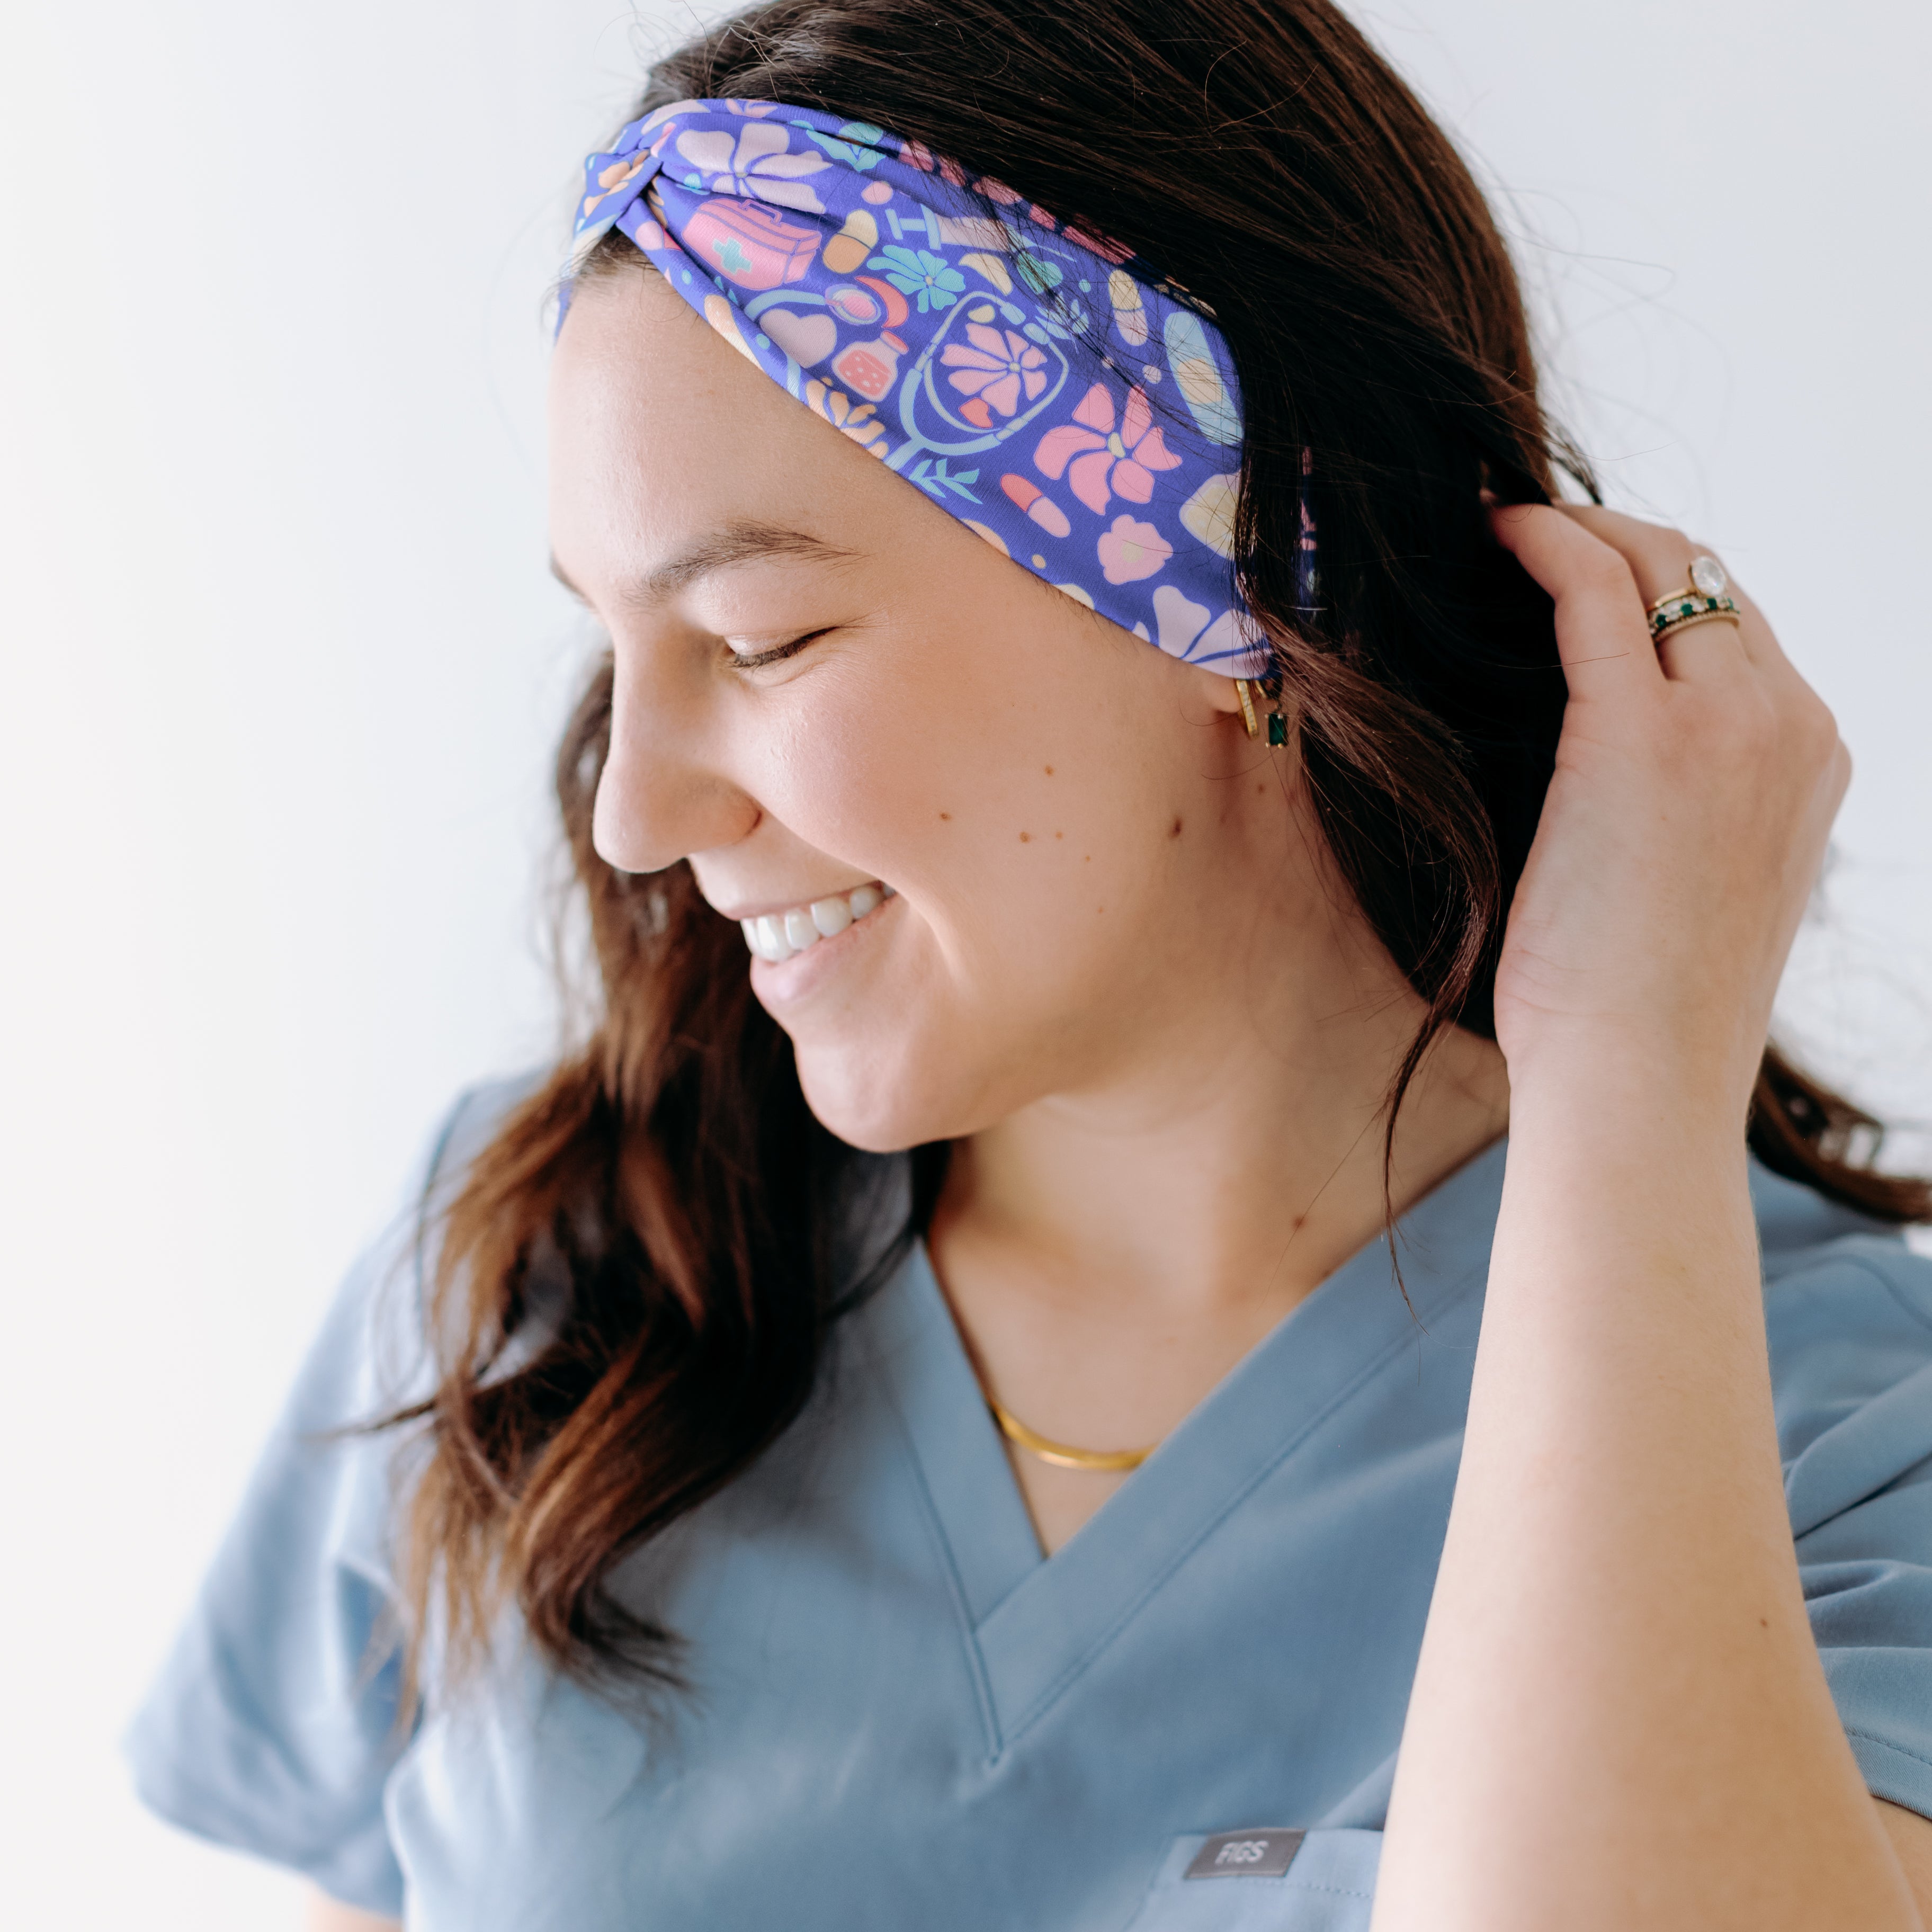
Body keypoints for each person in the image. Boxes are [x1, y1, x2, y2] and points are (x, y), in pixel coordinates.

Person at [127, 3, 1932, 1927]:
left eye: (759, 639)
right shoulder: (544, 1273)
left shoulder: (1844, 1446)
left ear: (1251, 583)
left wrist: (1636, 1061)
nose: (631, 815)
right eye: (612, 647)